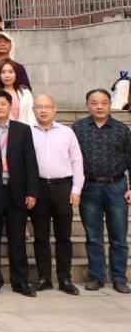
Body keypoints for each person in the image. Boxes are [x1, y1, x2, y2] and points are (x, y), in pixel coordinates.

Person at [0, 90, 39, 297]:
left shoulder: (23, 130)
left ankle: (20, 281)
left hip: (17, 192)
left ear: (10, 106)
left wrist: (32, 191)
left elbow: (31, 161)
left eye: (3, 104)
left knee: (17, 240)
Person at [72, 88, 131, 293]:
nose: (99, 106)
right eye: (94, 102)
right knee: (93, 236)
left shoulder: (121, 129)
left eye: (104, 102)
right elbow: (72, 159)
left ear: (110, 104)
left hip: (117, 187)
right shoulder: (78, 128)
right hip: (90, 187)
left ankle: (119, 278)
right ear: (87, 105)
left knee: (119, 236)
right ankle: (96, 277)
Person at [29, 93, 84, 295]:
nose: (43, 110)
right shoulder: (27, 132)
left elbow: (77, 162)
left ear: (55, 109)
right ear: (33, 109)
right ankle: (44, 277)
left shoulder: (67, 132)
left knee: (64, 236)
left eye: (47, 107)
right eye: (39, 107)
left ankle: (65, 278)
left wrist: (76, 190)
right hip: (38, 187)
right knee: (40, 236)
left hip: (62, 187)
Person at [0, 58, 33, 123]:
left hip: (25, 128)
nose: (7, 75)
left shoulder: (26, 93)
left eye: (10, 72)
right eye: (3, 72)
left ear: (16, 74)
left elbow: (31, 116)